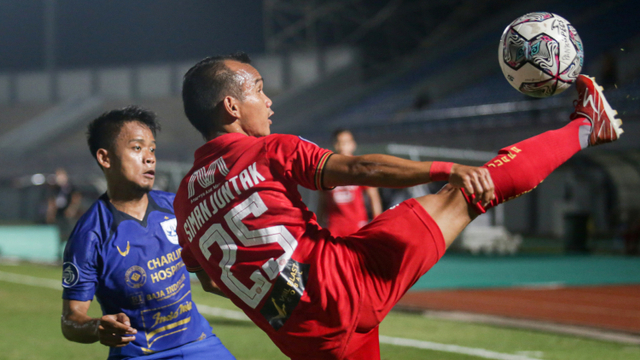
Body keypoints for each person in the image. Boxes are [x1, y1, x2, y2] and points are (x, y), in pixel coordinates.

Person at [174, 52, 622, 360]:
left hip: (305, 337)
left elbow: (211, 282)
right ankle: (588, 125)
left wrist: (280, 295)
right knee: (469, 192)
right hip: (347, 282)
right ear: (231, 105)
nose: (268, 100)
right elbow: (361, 169)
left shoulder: (184, 198)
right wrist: (443, 168)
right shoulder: (268, 150)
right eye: (258, 89)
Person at [60, 106, 235, 360]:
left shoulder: (176, 207)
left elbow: (211, 280)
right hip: (138, 355)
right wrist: (97, 327)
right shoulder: (89, 235)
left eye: (152, 149)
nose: (150, 157)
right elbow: (71, 319)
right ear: (105, 158)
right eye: (137, 148)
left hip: (200, 345)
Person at [317, 129, 382, 236]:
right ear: (334, 144)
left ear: (352, 145)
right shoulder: (328, 170)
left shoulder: (361, 168)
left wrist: (377, 222)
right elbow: (322, 201)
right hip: (335, 226)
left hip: (357, 224)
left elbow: (373, 197)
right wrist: (318, 225)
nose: (342, 146)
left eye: (346, 142)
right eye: (339, 142)